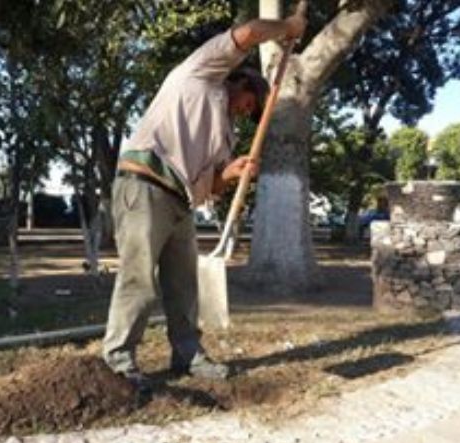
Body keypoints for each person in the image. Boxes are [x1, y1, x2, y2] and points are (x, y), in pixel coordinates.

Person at [102, 13, 307, 393]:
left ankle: (187, 355)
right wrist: (287, 29)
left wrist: (229, 174)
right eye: (251, 102)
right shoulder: (202, 71)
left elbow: (207, 186)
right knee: (139, 279)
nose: (248, 112)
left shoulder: (225, 135)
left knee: (184, 286)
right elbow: (249, 33)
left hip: (179, 201)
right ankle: (118, 361)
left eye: (254, 113)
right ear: (242, 80)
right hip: (145, 185)